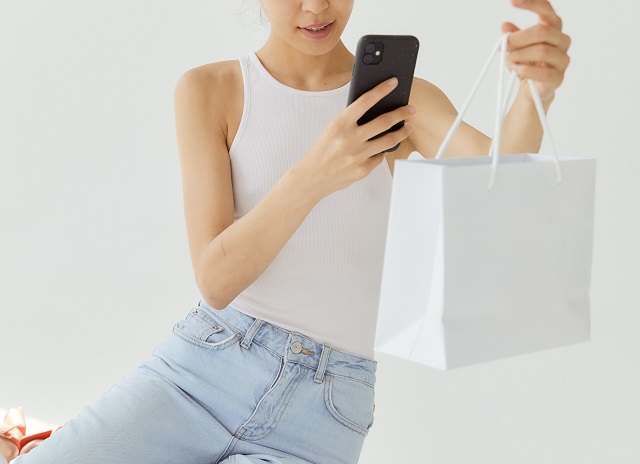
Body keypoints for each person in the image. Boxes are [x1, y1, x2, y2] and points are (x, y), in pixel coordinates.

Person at [1, 0, 570, 462]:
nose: (317, 7)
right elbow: (217, 280)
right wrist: (315, 173)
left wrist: (534, 92)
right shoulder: (211, 90)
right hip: (204, 370)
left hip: (324, 411)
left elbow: (500, 178)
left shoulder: (401, 99)